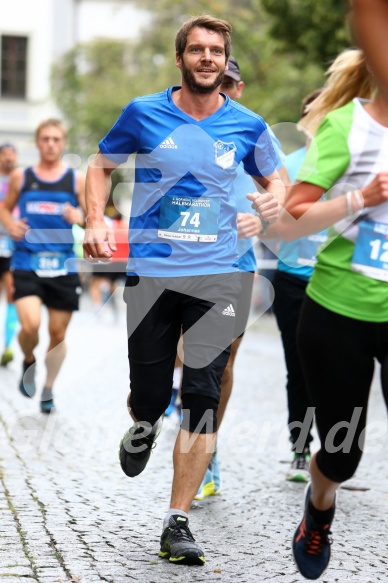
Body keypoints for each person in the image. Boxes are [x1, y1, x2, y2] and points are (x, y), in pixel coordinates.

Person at [83, 15, 283, 566]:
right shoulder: (144, 113)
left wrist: (271, 202)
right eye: (196, 49)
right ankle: (144, 422)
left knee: (202, 397)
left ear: (225, 60)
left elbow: (277, 179)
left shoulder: (247, 125)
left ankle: (178, 520)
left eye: (215, 50)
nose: (206, 58)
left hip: (223, 276)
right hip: (153, 275)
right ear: (180, 59)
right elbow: (100, 165)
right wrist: (96, 220)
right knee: (150, 394)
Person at [261, 48, 386, 580]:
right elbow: (291, 220)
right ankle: (319, 503)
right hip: (339, 309)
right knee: (341, 457)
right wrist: (361, 197)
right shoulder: (347, 126)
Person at [194, 55, 286, 500]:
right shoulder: (182, 121)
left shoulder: (252, 129)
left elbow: (278, 189)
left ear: (239, 86)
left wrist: (263, 221)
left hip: (234, 261)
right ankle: (162, 402)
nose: (221, 87)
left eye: (229, 81)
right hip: (181, 261)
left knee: (225, 359)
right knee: (180, 356)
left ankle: (206, 445)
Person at [0, 119, 86, 413]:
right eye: (46, 139)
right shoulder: (21, 178)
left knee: (58, 335)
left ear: (63, 143)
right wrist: (10, 224)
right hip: (27, 262)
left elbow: (93, 216)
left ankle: (48, 388)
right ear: (38, 143)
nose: (51, 144)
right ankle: (28, 360)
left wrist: (81, 217)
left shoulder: (76, 180)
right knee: (30, 325)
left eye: (56, 139)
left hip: (63, 265)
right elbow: (4, 207)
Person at [272, 89, 325, 482]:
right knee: (299, 366)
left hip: (337, 281)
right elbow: (272, 225)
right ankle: (300, 448)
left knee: (335, 368)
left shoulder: (351, 167)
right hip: (293, 281)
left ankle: (336, 450)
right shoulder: (286, 166)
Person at [0, 143, 19, 366]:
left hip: (12, 246)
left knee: (12, 294)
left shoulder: (20, 180)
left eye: (12, 154)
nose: (9, 158)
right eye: (5, 154)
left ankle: (7, 346)